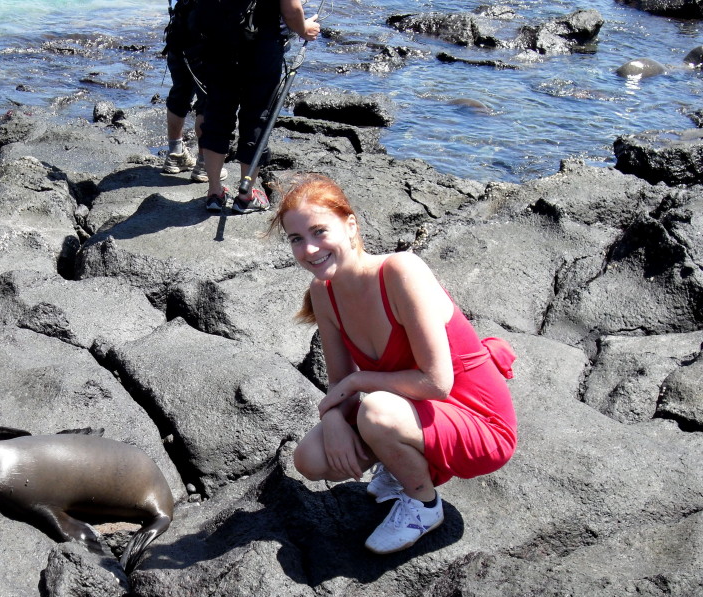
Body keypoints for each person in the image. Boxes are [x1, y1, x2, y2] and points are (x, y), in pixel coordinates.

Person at [273, 174, 518, 553]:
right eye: (296, 239)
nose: (309, 249)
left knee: (375, 411)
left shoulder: (401, 271)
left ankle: (423, 505)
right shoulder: (323, 292)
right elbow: (339, 379)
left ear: (350, 225)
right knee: (309, 458)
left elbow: (438, 384)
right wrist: (334, 418)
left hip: (480, 424)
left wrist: (356, 386)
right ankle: (399, 460)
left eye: (319, 231)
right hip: (416, 411)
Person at [193, 0, 320, 214]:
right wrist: (304, 29)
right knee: (256, 116)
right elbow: (291, 10)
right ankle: (246, 196)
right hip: (261, 46)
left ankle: (214, 192)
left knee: (217, 114)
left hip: (217, 42)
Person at [160, 0, 225, 181]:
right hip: (205, 35)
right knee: (208, 100)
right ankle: (204, 164)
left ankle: (175, 154)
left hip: (179, 29)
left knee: (179, 93)